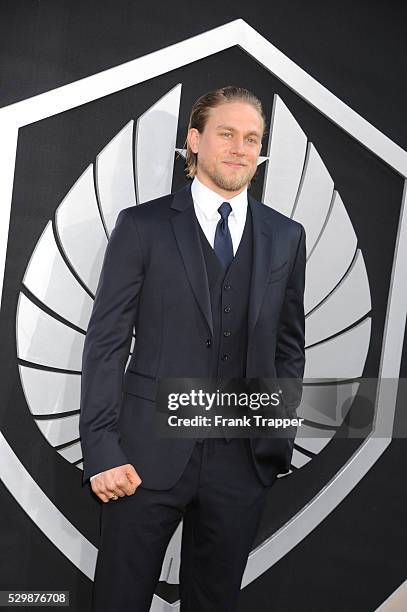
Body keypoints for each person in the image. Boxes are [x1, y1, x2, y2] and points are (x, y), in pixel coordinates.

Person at [79, 86, 306, 612]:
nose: (239, 147)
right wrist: (103, 450)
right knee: (118, 599)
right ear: (194, 141)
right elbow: (107, 344)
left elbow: (289, 347)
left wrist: (276, 433)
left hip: (241, 462)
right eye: (226, 133)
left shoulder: (286, 236)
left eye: (252, 138)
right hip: (142, 460)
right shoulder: (143, 227)